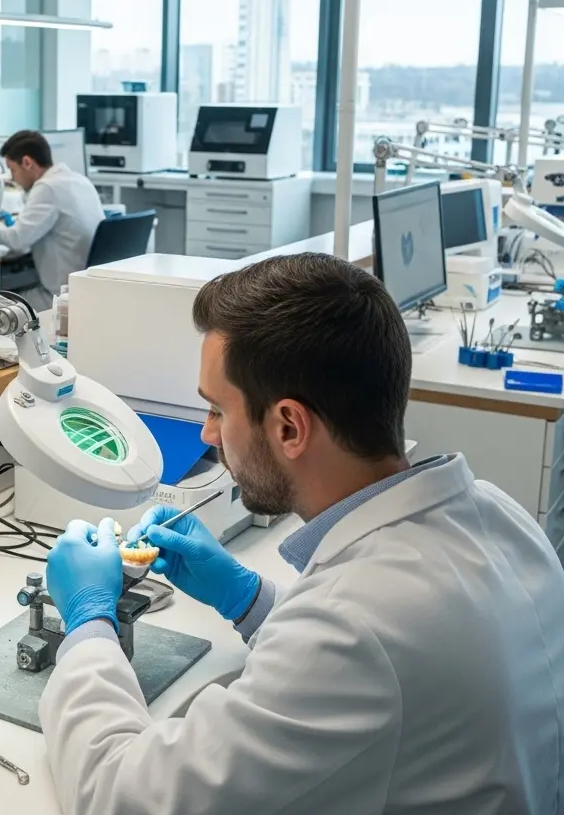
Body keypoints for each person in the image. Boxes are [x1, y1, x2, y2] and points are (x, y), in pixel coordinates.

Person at [40, 253, 564, 815]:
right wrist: (249, 600)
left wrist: (89, 622)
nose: (206, 432)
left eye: (217, 409)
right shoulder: (498, 514)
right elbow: (383, 659)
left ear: (289, 426)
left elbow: (121, 797)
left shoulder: (351, 631)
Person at [0, 131, 104, 311]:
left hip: (60, 297)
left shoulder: (47, 187)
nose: (12, 178)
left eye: (13, 170)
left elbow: (17, 241)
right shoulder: (79, 180)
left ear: (27, 163)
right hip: (88, 291)